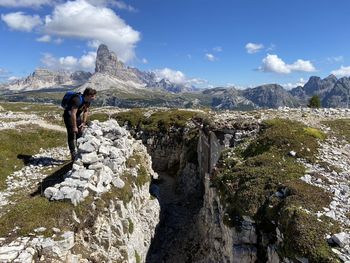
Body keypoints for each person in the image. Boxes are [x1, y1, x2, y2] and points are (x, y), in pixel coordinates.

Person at [63, 87, 97, 160]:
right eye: (93, 96)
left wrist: (83, 123)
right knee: (71, 133)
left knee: (80, 133)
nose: (94, 97)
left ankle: (80, 150)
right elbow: (73, 113)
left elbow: (86, 111)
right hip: (69, 116)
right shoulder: (77, 100)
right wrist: (74, 126)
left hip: (77, 116)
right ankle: (73, 153)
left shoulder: (88, 101)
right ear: (88, 95)